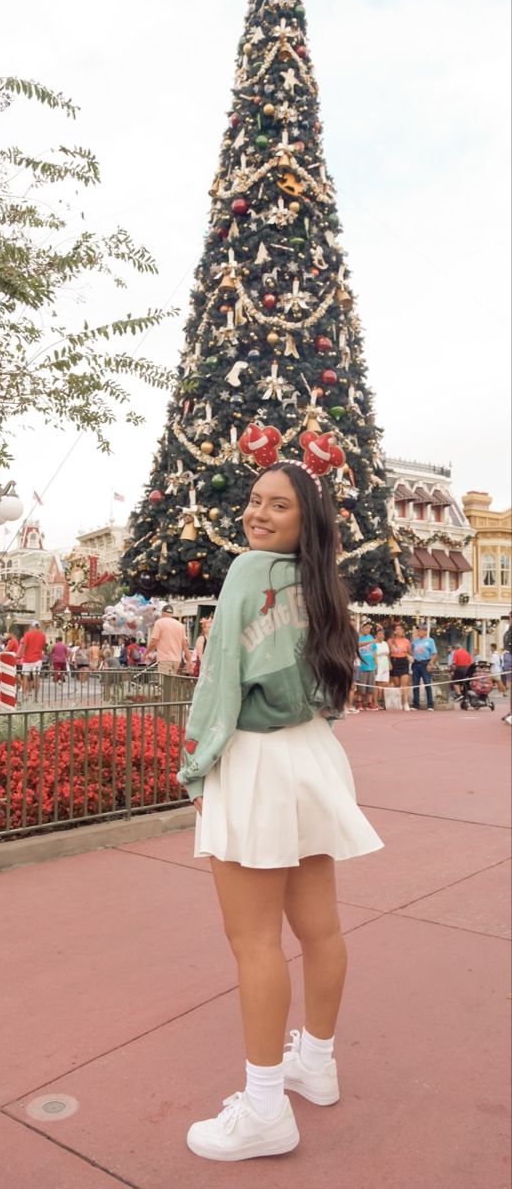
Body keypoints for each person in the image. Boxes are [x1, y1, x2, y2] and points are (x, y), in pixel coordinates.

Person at [177, 461, 383, 1163]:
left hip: (259, 758)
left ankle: (264, 1109)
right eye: (256, 502)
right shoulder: (322, 583)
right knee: (320, 929)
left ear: (305, 520)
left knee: (256, 942)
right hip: (312, 756)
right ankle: (315, 1066)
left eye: (278, 506)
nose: (258, 515)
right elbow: (333, 688)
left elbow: (220, 681)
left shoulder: (247, 573)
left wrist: (196, 765)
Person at [146, 605, 192, 675]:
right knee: (172, 683)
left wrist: (145, 654)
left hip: (164, 658)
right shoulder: (180, 625)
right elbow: (184, 644)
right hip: (177, 660)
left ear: (162, 613)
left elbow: (154, 641)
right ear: (172, 614)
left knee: (164, 683)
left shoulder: (159, 622)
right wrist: (189, 660)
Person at [410, 623, 437, 711]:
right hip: (416, 663)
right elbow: (411, 651)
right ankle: (415, 704)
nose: (418, 632)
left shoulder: (430, 640)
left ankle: (430, 705)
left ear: (425, 631)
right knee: (415, 685)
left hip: (425, 663)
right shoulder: (415, 640)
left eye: (420, 630)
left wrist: (430, 663)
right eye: (418, 630)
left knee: (427, 684)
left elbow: (434, 653)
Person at [21, 621, 47, 699]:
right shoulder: (43, 635)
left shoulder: (27, 634)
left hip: (27, 659)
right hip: (37, 659)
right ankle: (36, 696)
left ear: (32, 627)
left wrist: (21, 654)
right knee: (37, 677)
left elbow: (24, 646)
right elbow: (43, 647)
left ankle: (25, 695)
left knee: (25, 677)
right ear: (38, 627)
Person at [389, 623, 412, 711]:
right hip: (394, 661)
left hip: (404, 661)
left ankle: (406, 703)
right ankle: (398, 702)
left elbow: (410, 652)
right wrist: (389, 663)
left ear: (403, 631)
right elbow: (388, 653)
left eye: (400, 629)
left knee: (404, 683)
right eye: (397, 629)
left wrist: (409, 655)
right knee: (397, 683)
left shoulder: (406, 641)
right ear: (394, 631)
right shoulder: (390, 641)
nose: (398, 631)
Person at [357, 620, 377, 711]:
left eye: (369, 628)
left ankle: (369, 703)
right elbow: (356, 646)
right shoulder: (358, 637)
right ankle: (359, 702)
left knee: (370, 686)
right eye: (366, 628)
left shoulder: (371, 637)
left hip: (371, 666)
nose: (367, 629)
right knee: (361, 686)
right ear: (361, 628)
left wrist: (376, 664)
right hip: (361, 665)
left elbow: (374, 651)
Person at [373, 625, 390, 709]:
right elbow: (374, 655)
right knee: (377, 684)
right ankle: (376, 702)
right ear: (376, 635)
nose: (381, 636)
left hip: (385, 665)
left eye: (382, 634)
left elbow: (387, 655)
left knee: (386, 683)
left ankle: (382, 702)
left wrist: (389, 663)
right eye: (379, 634)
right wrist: (376, 665)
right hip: (378, 665)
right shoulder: (374, 643)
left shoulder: (385, 643)